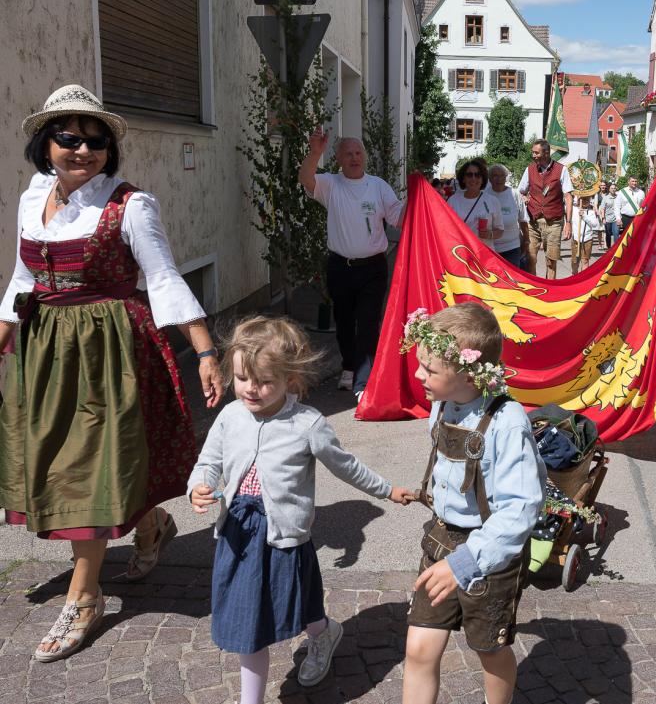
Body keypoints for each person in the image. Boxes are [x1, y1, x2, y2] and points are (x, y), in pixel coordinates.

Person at [0, 84, 225, 661]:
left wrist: (205, 352)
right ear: (45, 144)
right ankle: (151, 525)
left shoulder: (131, 205)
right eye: (68, 138)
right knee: (62, 458)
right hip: (44, 349)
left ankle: (85, 596)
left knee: (87, 466)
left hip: (108, 351)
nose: (83, 150)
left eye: (95, 141)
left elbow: (164, 278)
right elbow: (23, 279)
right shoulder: (33, 198)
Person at [189, 316, 413, 703]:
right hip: (238, 534)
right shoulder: (230, 416)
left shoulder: (307, 424)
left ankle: (323, 633)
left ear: (290, 379)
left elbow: (347, 466)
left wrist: (387, 490)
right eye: (242, 378)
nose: (251, 389)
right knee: (248, 623)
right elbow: (208, 461)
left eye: (264, 381)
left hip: (285, 535)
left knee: (301, 600)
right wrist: (199, 486)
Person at [401, 304, 545, 704]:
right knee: (419, 648)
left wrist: (464, 564)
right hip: (441, 541)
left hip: (489, 553)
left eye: (429, 369)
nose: (419, 375)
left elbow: (519, 510)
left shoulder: (507, 422)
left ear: (467, 374)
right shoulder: (442, 402)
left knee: (489, 649)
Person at [298, 129, 403, 396]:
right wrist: (315, 153)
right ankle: (349, 366)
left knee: (368, 323)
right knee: (344, 322)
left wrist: (416, 198)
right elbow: (306, 179)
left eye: (358, 153)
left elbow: (398, 217)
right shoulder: (331, 184)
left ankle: (363, 383)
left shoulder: (378, 186)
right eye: (348, 154)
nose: (354, 158)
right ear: (339, 159)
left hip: (373, 268)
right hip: (340, 268)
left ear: (364, 157)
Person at [517, 139, 572, 279]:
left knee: (551, 261)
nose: (533, 155)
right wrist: (523, 198)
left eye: (536, 153)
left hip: (554, 222)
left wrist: (568, 223)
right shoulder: (529, 169)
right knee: (530, 258)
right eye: (533, 152)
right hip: (533, 221)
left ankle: (550, 287)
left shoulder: (562, 170)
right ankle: (535, 287)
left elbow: (568, 197)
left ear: (546, 153)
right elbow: (520, 192)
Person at [448, 159, 503, 250]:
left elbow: (500, 230)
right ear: (463, 179)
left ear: (482, 179)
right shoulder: (453, 201)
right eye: (469, 175)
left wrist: (489, 234)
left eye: (477, 175)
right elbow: (446, 229)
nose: (473, 178)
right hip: (461, 253)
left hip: (484, 253)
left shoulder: (493, 201)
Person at [485, 163, 528, 267]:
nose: (499, 179)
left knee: (512, 276)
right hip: (490, 248)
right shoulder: (484, 195)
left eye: (502, 175)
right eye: (495, 176)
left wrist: (526, 241)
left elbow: (523, 220)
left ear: (506, 178)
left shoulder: (514, 194)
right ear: (489, 179)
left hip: (512, 248)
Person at [569, 196, 603, 274]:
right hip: (576, 239)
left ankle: (582, 278)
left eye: (587, 200)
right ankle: (574, 275)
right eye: (583, 199)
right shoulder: (573, 209)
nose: (585, 201)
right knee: (574, 261)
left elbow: (595, 224)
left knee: (585, 260)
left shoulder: (591, 212)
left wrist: (584, 216)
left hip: (587, 239)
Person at [600, 183, 619, 248]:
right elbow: (602, 208)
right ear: (609, 189)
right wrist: (603, 218)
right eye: (612, 188)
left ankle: (616, 248)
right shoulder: (605, 198)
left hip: (616, 219)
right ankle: (609, 248)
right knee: (608, 234)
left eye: (614, 188)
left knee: (616, 233)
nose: (613, 189)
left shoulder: (618, 197)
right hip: (607, 219)